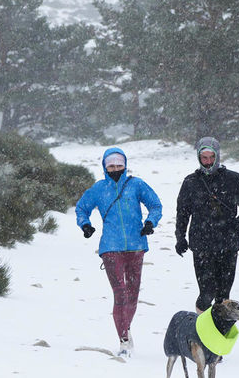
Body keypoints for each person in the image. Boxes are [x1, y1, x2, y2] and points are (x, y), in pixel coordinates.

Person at [75, 146, 163, 358]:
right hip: (111, 248)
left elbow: (156, 205)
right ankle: (123, 339)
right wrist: (85, 225)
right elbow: (81, 208)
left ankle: (125, 327)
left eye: (119, 165)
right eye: (111, 165)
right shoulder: (99, 189)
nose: (115, 169)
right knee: (120, 294)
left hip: (136, 246)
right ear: (105, 167)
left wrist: (150, 223)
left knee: (132, 295)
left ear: (125, 165)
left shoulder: (136, 185)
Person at [174, 136, 239, 312]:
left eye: (211, 157)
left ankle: (219, 332)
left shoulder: (234, 179)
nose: (208, 162)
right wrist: (180, 237)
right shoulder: (191, 182)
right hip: (201, 245)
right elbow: (182, 212)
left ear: (218, 156)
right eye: (204, 158)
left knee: (223, 295)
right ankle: (201, 328)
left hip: (228, 243)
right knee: (206, 293)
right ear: (198, 157)